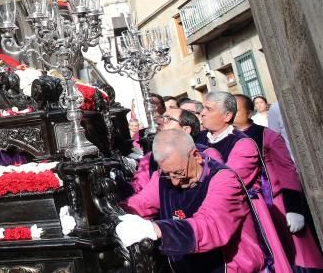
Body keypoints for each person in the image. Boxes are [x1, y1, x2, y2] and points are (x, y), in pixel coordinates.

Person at [118, 130, 266, 273]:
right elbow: (142, 203)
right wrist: (116, 212)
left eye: (179, 173)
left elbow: (210, 225)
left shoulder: (224, 179)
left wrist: (157, 229)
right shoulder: (164, 177)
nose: (175, 182)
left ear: (196, 156)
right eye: (168, 174)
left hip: (229, 266)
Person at [197, 91, 292, 273]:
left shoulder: (243, 143)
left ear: (227, 116)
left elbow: (232, 179)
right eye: (202, 108)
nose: (202, 113)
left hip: (244, 213)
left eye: (208, 109)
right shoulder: (198, 140)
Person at [234, 95, 323, 271]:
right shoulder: (226, 139)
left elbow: (286, 171)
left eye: (236, 109)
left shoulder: (266, 135)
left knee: (298, 255)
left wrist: (293, 208)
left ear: (249, 113)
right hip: (251, 208)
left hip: (277, 203)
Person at [132, 107, 214, 195]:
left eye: (167, 119)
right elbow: (143, 196)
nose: (159, 122)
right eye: (167, 174)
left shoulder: (207, 154)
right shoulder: (149, 158)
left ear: (185, 130)